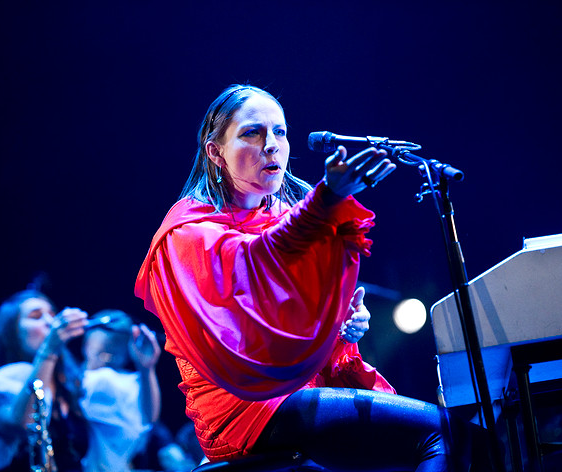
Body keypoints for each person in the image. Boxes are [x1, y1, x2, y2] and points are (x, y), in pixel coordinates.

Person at [135, 84, 491, 471]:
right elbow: (255, 260)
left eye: (280, 132)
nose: (271, 144)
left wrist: (342, 328)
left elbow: (286, 323)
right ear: (215, 152)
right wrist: (322, 202)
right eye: (252, 133)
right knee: (444, 436)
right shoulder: (187, 230)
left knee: (476, 443)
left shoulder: (286, 215)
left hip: (298, 395)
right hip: (245, 411)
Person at [0, 289, 89, 472]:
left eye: (52, 314)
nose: (49, 322)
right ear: (13, 333)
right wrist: (48, 350)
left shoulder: (71, 384)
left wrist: (145, 366)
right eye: (36, 316)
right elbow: (26, 424)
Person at [79, 309, 168, 472]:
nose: (111, 352)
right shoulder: (81, 379)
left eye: (119, 344)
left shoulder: (127, 381)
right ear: (86, 342)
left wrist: (147, 369)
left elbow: (149, 418)